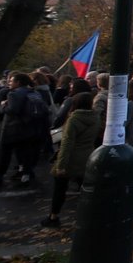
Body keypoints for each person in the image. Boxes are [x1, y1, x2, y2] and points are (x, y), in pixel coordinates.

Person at [40, 92, 100, 228]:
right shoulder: (95, 117)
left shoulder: (74, 119)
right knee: (87, 187)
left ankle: (53, 216)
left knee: (60, 188)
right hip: (88, 155)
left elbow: (67, 143)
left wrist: (60, 164)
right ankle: (92, 214)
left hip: (72, 156)